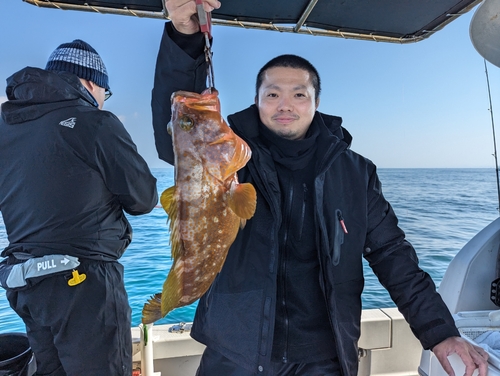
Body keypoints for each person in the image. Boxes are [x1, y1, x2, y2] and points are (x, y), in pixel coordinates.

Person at [151, 1, 489, 375]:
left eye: (299, 94)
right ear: (257, 100)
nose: (286, 105)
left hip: (324, 356)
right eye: (273, 93)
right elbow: (183, 131)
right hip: (235, 352)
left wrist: (440, 333)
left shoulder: (355, 171)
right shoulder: (231, 156)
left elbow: (393, 256)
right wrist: (184, 37)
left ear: (316, 103)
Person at [0, 39, 158, 375]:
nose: (103, 101)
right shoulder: (94, 122)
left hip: (24, 282)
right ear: (89, 83)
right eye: (105, 92)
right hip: (84, 285)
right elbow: (144, 199)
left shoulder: (7, 128)